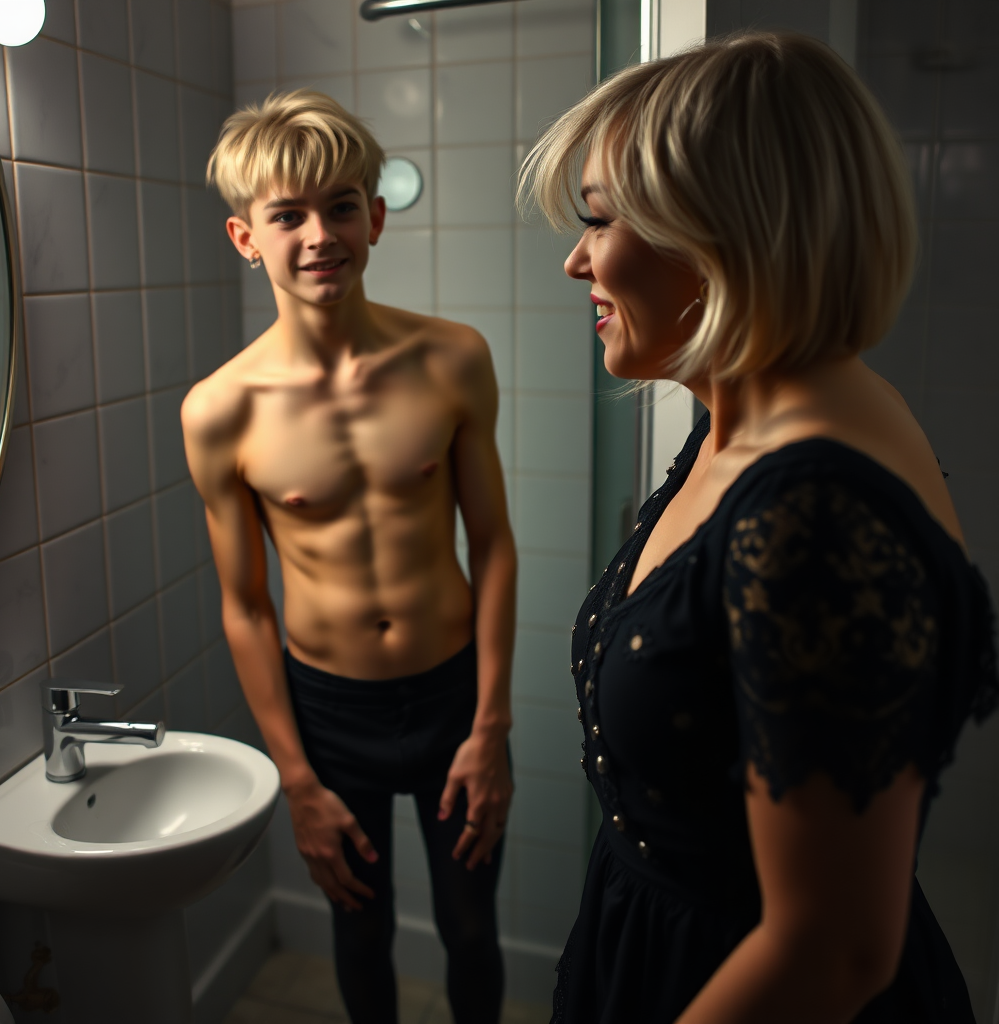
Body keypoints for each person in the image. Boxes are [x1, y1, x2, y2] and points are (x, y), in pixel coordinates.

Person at [518, 31, 998, 1024]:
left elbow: (831, 949)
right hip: (653, 946)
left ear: (719, 231)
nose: (574, 261)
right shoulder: (738, 418)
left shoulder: (811, 507)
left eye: (598, 221)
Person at [182, 91, 516, 1024]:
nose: (318, 235)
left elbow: (491, 547)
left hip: (452, 693)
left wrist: (492, 728)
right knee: (360, 933)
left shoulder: (452, 359)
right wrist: (295, 778)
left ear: (374, 217)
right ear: (247, 237)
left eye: (339, 207)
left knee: (472, 930)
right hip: (329, 709)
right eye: (287, 215)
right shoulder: (221, 410)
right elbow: (245, 606)